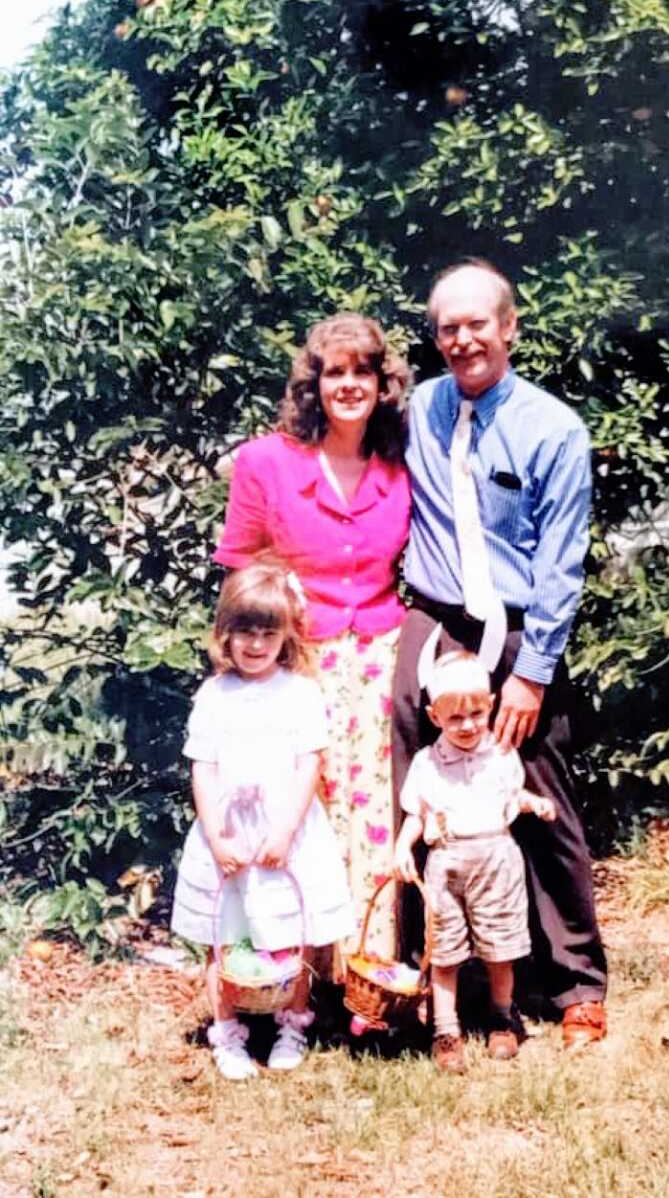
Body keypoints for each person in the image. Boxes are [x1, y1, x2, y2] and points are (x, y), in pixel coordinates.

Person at [393, 258, 609, 1048]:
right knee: (418, 799)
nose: (462, 339)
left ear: (509, 327)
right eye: (447, 327)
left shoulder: (554, 429)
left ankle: (576, 982)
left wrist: (532, 672)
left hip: (518, 632)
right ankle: (426, 976)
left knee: (537, 795)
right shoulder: (418, 408)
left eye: (477, 323)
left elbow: (562, 562)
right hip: (436, 623)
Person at [213, 314, 411, 965]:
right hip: (300, 663)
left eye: (364, 371)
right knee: (303, 808)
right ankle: (296, 974)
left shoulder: (399, 462)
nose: (349, 385)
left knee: (376, 815)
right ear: (314, 383)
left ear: (383, 384)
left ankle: (369, 973)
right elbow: (240, 565)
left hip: (381, 658)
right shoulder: (265, 462)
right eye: (336, 372)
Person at [171, 560, 355, 1080]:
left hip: (285, 833)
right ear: (224, 635)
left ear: (285, 635)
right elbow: (202, 769)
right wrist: (215, 836)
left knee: (291, 932)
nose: (255, 644)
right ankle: (227, 1031)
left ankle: (292, 1023)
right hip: (228, 832)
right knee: (224, 933)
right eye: (244, 632)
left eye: (267, 633)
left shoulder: (299, 693)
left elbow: (308, 765)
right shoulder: (213, 695)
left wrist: (285, 831)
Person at [393, 650, 557, 1074]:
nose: (467, 726)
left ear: (490, 707)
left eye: (477, 714)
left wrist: (533, 803)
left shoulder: (501, 754)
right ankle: (446, 1030)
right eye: (455, 719)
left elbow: (511, 798)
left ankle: (502, 1017)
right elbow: (418, 813)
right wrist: (402, 848)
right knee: (444, 950)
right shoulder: (428, 763)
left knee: (499, 946)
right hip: (447, 862)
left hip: (496, 859)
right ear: (434, 717)